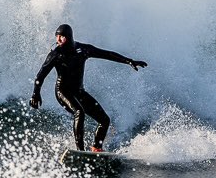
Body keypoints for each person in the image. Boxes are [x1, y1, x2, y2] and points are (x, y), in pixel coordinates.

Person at [30, 23, 147, 152]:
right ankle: (80, 151)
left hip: (79, 92)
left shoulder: (83, 50)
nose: (58, 40)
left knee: (104, 120)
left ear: (69, 37)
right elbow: (41, 75)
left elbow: (107, 54)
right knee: (79, 112)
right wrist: (36, 93)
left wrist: (129, 61)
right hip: (62, 92)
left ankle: (97, 148)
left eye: (61, 37)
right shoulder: (55, 54)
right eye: (56, 36)